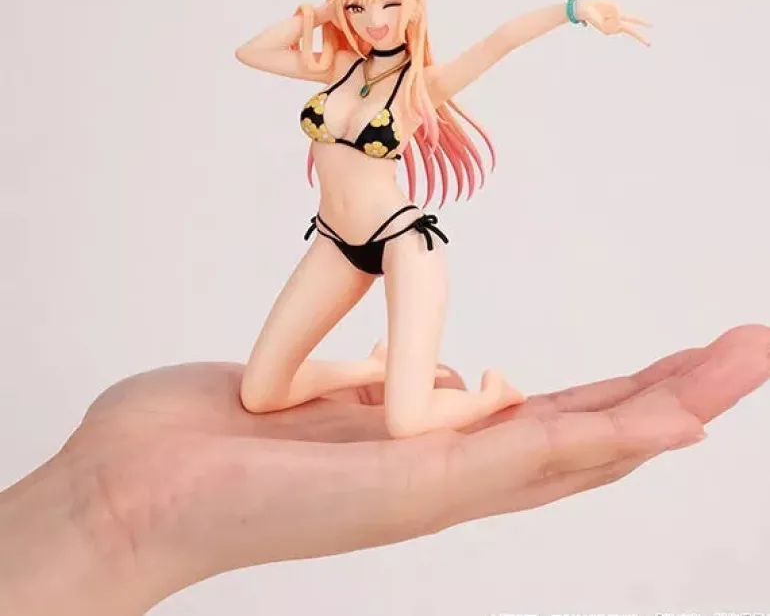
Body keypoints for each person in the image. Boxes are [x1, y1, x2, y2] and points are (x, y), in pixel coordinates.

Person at [1, 323, 768, 615]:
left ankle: (476, 397)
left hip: (389, 246)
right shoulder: (348, 79)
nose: (375, 30)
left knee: (402, 411)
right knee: (271, 388)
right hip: (349, 245)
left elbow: (475, 59)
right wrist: (104, 515)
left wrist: (565, 20)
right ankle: (445, 388)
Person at [234, 0, 652, 438]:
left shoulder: (421, 85)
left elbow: (499, 42)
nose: (374, 20)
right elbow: (251, 52)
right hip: (333, 242)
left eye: (390, 3)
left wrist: (574, 10)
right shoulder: (338, 65)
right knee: (260, 394)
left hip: (401, 243)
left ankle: (492, 395)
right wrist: (324, 12)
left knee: (405, 423)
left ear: (414, 5)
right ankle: (371, 368)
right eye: (359, 6)